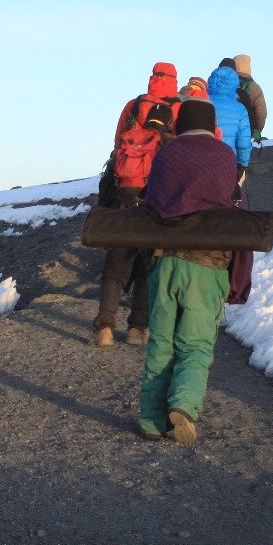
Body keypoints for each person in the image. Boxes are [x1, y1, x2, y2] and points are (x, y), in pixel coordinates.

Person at [137, 98, 245, 445]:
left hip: (165, 261)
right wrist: (239, 282)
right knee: (195, 345)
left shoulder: (167, 153)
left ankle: (151, 421)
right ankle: (183, 406)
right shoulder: (225, 156)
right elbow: (235, 207)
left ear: (179, 124)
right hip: (208, 265)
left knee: (161, 343)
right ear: (212, 126)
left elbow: (150, 199)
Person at [94, 62, 180, 347]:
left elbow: (118, 141)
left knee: (116, 263)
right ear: (173, 81)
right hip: (150, 200)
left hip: (123, 194)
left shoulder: (134, 104)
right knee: (145, 266)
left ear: (152, 78)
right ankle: (136, 329)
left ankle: (104, 328)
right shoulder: (176, 108)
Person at [205, 64, 254, 176]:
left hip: (202, 161)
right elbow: (244, 143)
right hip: (227, 162)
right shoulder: (240, 109)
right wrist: (242, 164)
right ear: (234, 84)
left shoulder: (202, 102)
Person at [220, 55, 268, 142]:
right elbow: (261, 112)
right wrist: (257, 130)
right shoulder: (254, 87)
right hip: (244, 129)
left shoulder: (223, 83)